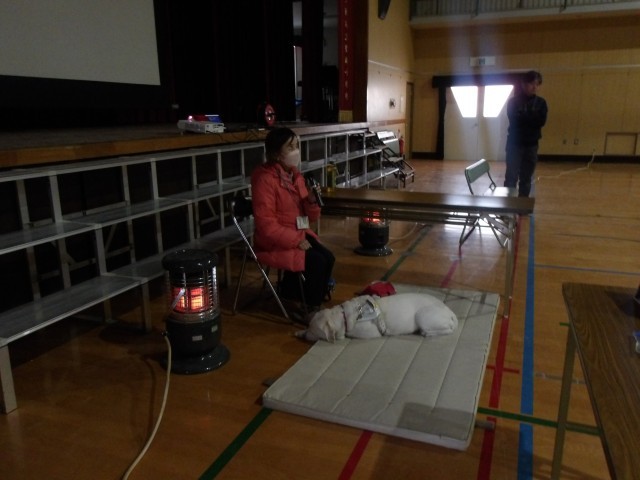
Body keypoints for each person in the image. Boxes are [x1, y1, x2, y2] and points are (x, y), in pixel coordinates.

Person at [251, 127, 335, 314]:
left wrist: (311, 201)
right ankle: (309, 307)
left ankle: (301, 295)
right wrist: (296, 240)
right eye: (290, 147)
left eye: (296, 146)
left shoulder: (296, 176)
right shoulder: (264, 179)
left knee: (328, 257)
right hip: (274, 241)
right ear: (275, 153)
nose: (296, 151)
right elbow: (266, 226)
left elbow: (311, 217)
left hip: (298, 232)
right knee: (317, 261)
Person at [504, 70, 548, 197]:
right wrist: (532, 118)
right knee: (511, 178)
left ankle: (522, 205)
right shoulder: (513, 102)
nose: (535, 87)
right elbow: (514, 120)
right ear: (523, 84)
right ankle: (508, 205)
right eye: (531, 83)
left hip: (531, 146)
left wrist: (524, 117)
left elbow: (541, 121)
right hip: (514, 145)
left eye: (537, 84)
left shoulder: (541, 103)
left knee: (526, 178)